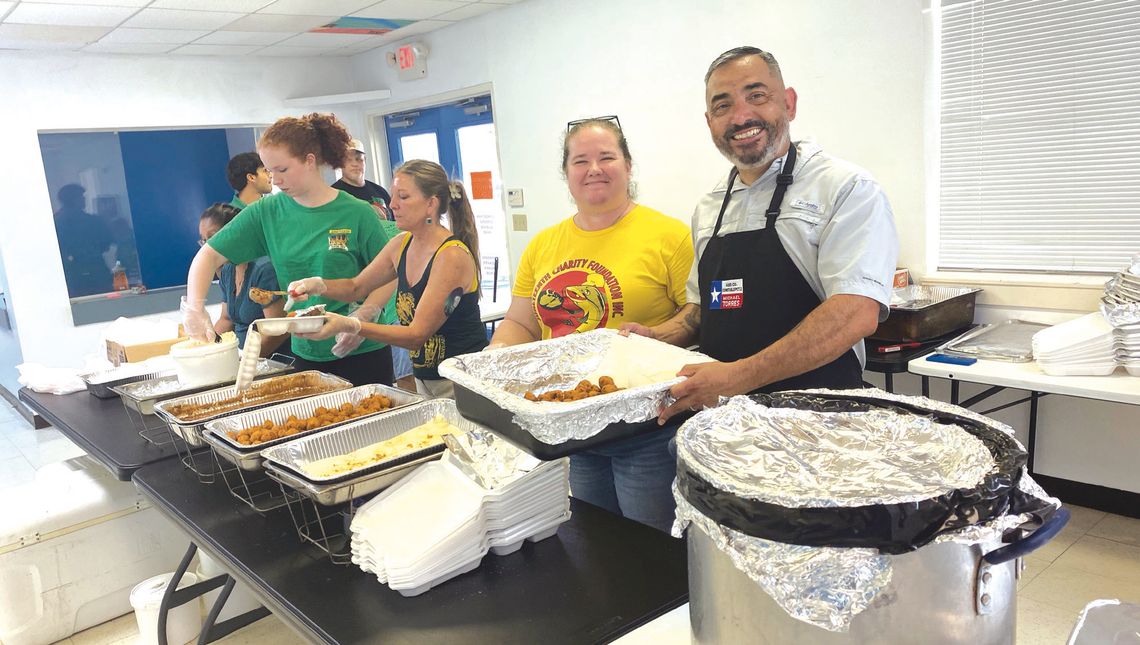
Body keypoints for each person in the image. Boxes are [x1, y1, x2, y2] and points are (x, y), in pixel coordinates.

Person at [626, 46, 899, 423]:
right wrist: (657, 339)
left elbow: (855, 313)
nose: (741, 116)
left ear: (788, 103)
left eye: (756, 96)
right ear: (709, 122)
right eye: (723, 106)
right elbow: (704, 309)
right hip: (723, 424)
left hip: (818, 423)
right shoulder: (710, 207)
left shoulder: (845, 188)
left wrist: (736, 377)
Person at [488, 117, 694, 533]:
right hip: (570, 430)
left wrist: (656, 335)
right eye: (580, 160)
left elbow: (697, 316)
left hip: (646, 428)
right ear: (566, 174)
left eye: (606, 157)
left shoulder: (670, 235)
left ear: (628, 166)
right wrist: (491, 361)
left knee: (650, 549)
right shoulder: (543, 244)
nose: (594, 169)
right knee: (595, 542)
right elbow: (521, 323)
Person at [182, 113, 398, 386]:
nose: (275, 180)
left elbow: (389, 273)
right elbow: (208, 255)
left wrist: (364, 315)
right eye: (270, 172)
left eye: (282, 170)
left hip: (363, 352)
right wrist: (195, 307)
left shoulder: (357, 213)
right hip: (305, 355)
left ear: (309, 161)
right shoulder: (267, 212)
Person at [289, 159, 487, 398]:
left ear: (430, 204)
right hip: (427, 377)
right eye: (393, 196)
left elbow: (416, 335)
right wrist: (317, 285)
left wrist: (352, 324)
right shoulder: (401, 245)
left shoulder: (451, 256)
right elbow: (356, 287)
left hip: (461, 381)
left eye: (403, 197)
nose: (392, 205)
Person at [197, 203, 288, 356]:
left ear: (235, 234)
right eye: (204, 241)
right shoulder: (228, 270)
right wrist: (206, 349)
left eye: (213, 238)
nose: (209, 247)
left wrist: (244, 361)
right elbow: (226, 319)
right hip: (240, 355)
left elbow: (278, 330)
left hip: (269, 359)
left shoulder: (264, 269)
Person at [53, 183, 114, 297]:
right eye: (81, 197)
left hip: (72, 274)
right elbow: (106, 243)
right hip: (93, 272)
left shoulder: (54, 222)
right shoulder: (92, 221)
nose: (84, 199)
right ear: (73, 199)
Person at [332, 139, 392, 219]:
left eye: (358, 159)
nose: (354, 164)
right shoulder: (333, 195)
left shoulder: (380, 191)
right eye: (348, 160)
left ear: (365, 161)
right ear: (340, 163)